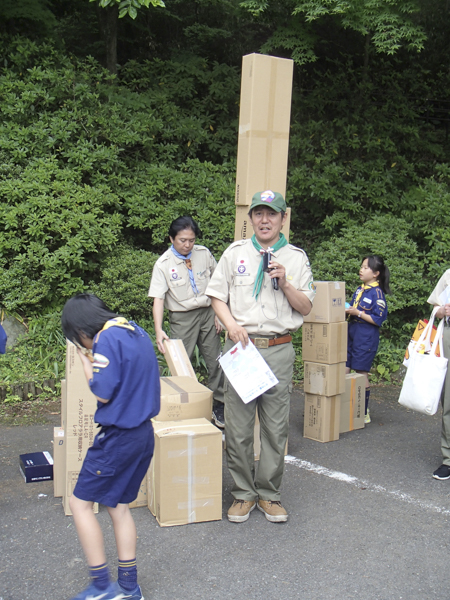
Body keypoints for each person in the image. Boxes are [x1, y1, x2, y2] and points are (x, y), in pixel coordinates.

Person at [206, 190, 315, 524]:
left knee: (274, 428)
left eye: (272, 214)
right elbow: (216, 296)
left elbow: (307, 307)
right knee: (237, 427)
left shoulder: (296, 258)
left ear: (284, 218)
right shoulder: (235, 253)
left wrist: (286, 283)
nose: (264, 220)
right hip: (242, 348)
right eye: (258, 214)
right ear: (250, 218)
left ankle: (269, 493)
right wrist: (231, 325)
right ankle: (243, 493)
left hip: (278, 348)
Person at [61, 293, 160, 600]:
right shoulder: (135, 330)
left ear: (81, 331)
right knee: (118, 507)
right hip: (144, 435)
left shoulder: (105, 340)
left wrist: (84, 361)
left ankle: (102, 586)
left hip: (117, 439)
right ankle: (129, 587)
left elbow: (103, 394)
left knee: (80, 504)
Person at [148, 215, 225, 428]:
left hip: (209, 312)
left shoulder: (204, 254)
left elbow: (219, 283)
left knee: (216, 359)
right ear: (172, 238)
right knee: (181, 363)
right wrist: (158, 330)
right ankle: (186, 405)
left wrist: (220, 312)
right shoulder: (163, 264)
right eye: (182, 240)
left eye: (191, 240)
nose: (187, 244)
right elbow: (158, 299)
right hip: (183, 318)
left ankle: (219, 404)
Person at [345, 255, 390, 424]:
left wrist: (359, 313)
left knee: (361, 372)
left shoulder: (377, 293)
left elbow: (378, 319)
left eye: (365, 268)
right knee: (345, 368)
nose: (361, 270)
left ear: (376, 273)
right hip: (352, 331)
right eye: (361, 266)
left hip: (366, 335)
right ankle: (344, 408)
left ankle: (362, 412)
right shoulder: (360, 289)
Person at [427, 269, 450, 480]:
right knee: (449, 400)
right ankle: (448, 459)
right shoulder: (449, 274)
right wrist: (442, 310)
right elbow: (435, 307)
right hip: (448, 337)